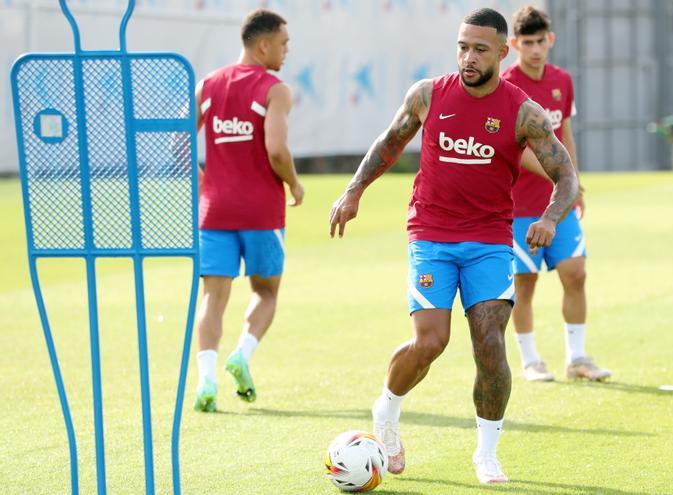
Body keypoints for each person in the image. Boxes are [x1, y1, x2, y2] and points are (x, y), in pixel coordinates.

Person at [329, 8, 578, 484]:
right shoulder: (427, 95)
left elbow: (565, 174)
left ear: (503, 54)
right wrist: (354, 190)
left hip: (489, 241)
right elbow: (387, 142)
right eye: (463, 46)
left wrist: (550, 217)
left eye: (480, 49)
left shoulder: (524, 112)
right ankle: (387, 410)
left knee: (489, 344)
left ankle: (486, 453)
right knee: (431, 342)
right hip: (431, 235)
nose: (468, 57)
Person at [192, 8, 304, 412]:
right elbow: (276, 149)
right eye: (283, 43)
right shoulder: (275, 89)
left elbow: (180, 143)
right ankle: (241, 355)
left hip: (215, 211)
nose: (286, 50)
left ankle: (205, 380)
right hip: (261, 212)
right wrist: (294, 182)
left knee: (213, 298)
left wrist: (206, 182)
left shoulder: (208, 84)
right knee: (265, 291)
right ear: (263, 44)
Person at [502, 5, 611, 383]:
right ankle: (531, 359)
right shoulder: (507, 86)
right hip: (518, 206)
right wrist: (556, 175)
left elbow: (563, 131)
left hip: (558, 203)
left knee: (576, 273)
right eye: (526, 43)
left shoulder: (562, 80)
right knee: (524, 284)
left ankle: (577, 357)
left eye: (540, 41)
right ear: (514, 44)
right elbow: (516, 147)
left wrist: (572, 181)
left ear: (551, 40)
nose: (535, 49)